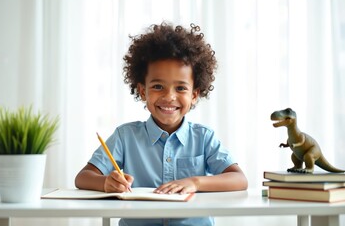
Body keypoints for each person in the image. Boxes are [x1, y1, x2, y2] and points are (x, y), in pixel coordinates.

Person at [75, 22, 248, 226]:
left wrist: (195, 182)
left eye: (181, 88)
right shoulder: (125, 136)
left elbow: (239, 179)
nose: (169, 97)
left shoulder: (203, 137)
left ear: (194, 95)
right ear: (142, 91)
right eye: (158, 86)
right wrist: (106, 182)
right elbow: (83, 177)